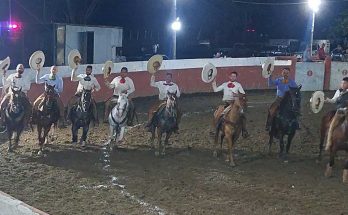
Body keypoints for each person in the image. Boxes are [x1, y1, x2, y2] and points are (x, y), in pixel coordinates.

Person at [212, 71, 249, 138]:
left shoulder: (238, 85)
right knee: (219, 114)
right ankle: (216, 129)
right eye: (232, 76)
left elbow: (243, 94)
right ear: (229, 76)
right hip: (226, 103)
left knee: (242, 115)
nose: (233, 77)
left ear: (236, 77)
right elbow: (215, 90)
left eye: (234, 76)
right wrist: (214, 82)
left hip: (235, 103)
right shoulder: (225, 84)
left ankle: (244, 130)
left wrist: (236, 95)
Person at [0, 64, 32, 131]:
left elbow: (28, 87)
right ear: (16, 69)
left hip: (21, 93)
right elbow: (5, 85)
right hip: (11, 94)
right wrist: (3, 76)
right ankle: (2, 121)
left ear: (23, 70)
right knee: (2, 104)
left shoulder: (26, 77)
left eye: (22, 68)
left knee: (29, 106)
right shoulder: (11, 76)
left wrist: (18, 89)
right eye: (19, 68)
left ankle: (26, 123)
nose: (20, 69)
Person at [325, 77, 348, 149]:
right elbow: (333, 100)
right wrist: (326, 100)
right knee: (331, 126)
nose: (342, 84)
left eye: (344, 83)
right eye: (342, 83)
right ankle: (329, 143)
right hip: (339, 112)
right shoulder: (338, 91)